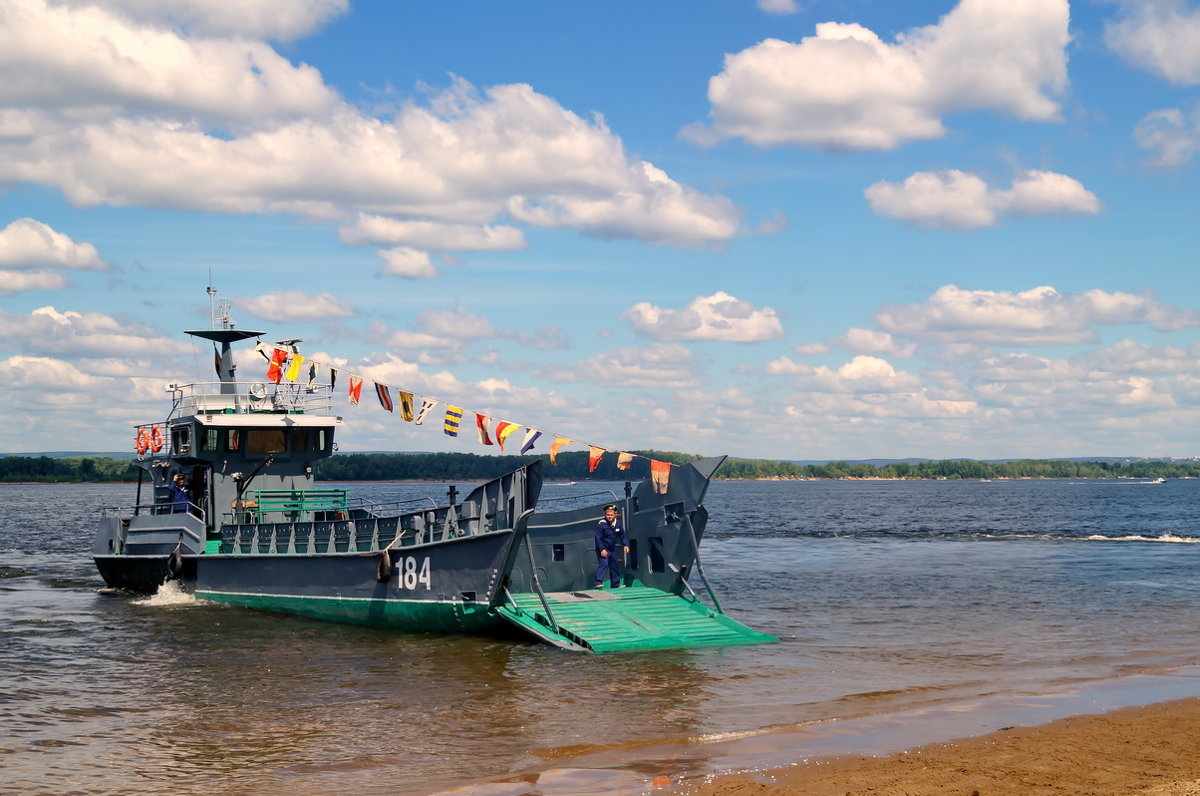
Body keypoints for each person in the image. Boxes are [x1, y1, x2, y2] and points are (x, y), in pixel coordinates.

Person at [594, 503, 629, 589]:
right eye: (608, 515)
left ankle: (615, 584)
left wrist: (626, 545)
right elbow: (598, 538)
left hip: (612, 549)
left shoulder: (618, 524)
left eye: (611, 515)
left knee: (614, 566)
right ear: (605, 515)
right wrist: (602, 550)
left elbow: (622, 535)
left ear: (614, 515)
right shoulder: (601, 525)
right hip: (603, 548)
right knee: (604, 564)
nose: (609, 517)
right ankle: (598, 582)